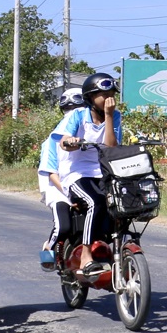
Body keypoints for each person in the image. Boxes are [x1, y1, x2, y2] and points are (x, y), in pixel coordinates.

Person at [50, 72, 122, 277]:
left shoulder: (115, 116)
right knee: (96, 201)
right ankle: (86, 256)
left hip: (104, 171)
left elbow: (110, 146)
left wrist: (109, 115)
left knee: (124, 203)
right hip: (76, 174)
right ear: (90, 98)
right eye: (103, 95)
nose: (109, 99)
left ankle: (117, 250)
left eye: (111, 94)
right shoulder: (78, 115)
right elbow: (64, 140)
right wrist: (70, 142)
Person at [37, 87, 85, 270]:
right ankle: (49, 248)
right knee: (63, 227)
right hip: (59, 189)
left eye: (78, 109)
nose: (73, 115)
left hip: (83, 184)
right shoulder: (52, 140)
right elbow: (51, 172)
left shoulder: (91, 136)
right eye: (69, 110)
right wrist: (68, 194)